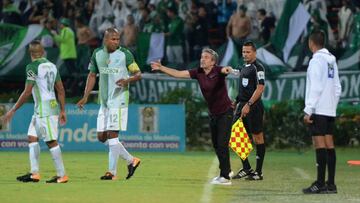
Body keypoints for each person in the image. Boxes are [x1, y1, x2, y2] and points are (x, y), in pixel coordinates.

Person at [151, 48, 235, 185]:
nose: (202, 59)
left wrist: (228, 69)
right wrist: (161, 67)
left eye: (206, 57)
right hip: (213, 114)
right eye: (202, 57)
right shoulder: (198, 72)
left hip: (226, 112)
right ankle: (227, 169)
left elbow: (225, 69)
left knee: (222, 144)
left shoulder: (218, 70)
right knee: (216, 144)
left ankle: (225, 177)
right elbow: (178, 74)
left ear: (213, 62)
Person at [77, 28, 142, 181]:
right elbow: (92, 75)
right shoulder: (97, 54)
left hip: (119, 100)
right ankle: (131, 160)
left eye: (118, 39)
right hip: (104, 102)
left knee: (113, 135)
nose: (116, 42)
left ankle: (112, 173)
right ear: (105, 39)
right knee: (101, 136)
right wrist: (85, 96)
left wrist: (127, 80)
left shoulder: (125, 54)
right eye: (113, 39)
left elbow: (138, 74)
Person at [1, 40, 68, 183]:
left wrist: (12, 110)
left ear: (30, 53)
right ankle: (34, 173)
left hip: (46, 110)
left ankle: (62, 175)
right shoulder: (52, 66)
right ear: (43, 51)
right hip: (44, 108)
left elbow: (27, 92)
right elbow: (61, 89)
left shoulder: (32, 67)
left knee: (51, 141)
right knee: (32, 137)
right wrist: (62, 110)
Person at [302, 30, 341, 194]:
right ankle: (331, 184)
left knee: (319, 144)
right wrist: (332, 106)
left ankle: (319, 183)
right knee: (329, 145)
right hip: (329, 109)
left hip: (318, 109)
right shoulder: (331, 60)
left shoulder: (316, 61)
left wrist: (308, 109)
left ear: (311, 43)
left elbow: (316, 87)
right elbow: (337, 88)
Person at [232, 41, 266, 181]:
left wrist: (249, 104)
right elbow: (243, 88)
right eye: (243, 52)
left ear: (254, 53)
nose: (245, 54)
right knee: (235, 134)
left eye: (248, 52)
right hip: (242, 105)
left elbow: (260, 87)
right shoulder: (243, 67)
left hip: (254, 106)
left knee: (257, 137)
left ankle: (258, 172)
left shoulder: (258, 68)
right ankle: (246, 168)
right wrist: (237, 100)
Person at [51, 18, 78, 95]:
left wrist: (55, 34)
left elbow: (62, 39)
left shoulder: (65, 30)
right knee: (72, 72)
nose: (60, 25)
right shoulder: (69, 30)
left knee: (72, 73)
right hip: (69, 54)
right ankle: (72, 87)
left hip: (68, 55)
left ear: (64, 24)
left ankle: (72, 87)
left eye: (61, 24)